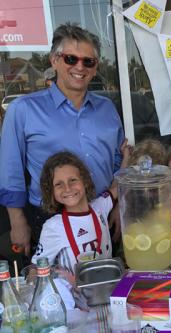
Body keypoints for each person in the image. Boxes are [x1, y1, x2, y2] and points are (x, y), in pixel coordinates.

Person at [0, 23, 125, 255]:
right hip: (50, 216)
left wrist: (118, 206)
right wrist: (17, 221)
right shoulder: (24, 110)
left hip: (102, 213)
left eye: (88, 61)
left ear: (96, 67)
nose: (80, 67)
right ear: (54, 60)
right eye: (70, 59)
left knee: (105, 281)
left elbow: (119, 163)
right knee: (57, 288)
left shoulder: (107, 108)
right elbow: (10, 170)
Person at [32, 151, 124, 274]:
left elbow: (120, 183)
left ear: (85, 181)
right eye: (59, 184)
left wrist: (127, 157)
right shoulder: (53, 226)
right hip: (74, 292)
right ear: (51, 191)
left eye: (73, 180)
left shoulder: (100, 206)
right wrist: (60, 277)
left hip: (107, 285)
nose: (68, 188)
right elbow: (36, 269)